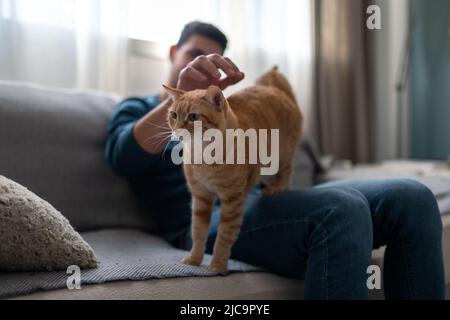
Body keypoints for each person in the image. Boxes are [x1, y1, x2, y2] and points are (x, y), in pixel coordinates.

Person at [105, 21, 445, 299]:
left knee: (414, 197)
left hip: (261, 199)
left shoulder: (223, 111)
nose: (203, 69)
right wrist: (179, 100)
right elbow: (123, 156)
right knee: (341, 209)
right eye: (195, 55)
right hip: (205, 219)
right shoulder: (138, 108)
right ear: (172, 53)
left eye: (213, 61)